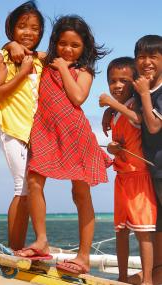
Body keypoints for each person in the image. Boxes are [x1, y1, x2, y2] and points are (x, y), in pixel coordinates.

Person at [16, 15, 112, 273]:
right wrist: (12, 47)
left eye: (75, 46)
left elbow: (78, 97)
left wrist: (61, 68)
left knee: (80, 194)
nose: (67, 49)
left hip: (75, 134)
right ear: (55, 42)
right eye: (62, 43)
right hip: (46, 131)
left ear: (85, 49)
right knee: (34, 181)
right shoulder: (46, 61)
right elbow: (21, 49)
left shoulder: (83, 71)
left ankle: (83, 257)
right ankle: (41, 240)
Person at [0, 1, 45, 251]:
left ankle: (20, 247)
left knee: (29, 190)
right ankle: (13, 250)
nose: (28, 33)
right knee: (21, 186)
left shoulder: (39, 59)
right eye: (22, 27)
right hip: (13, 129)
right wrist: (22, 71)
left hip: (35, 133)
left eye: (34, 28)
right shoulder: (2, 56)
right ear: (11, 29)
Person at [99, 57, 157, 285]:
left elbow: (138, 120)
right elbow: (120, 145)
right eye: (112, 81)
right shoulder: (114, 114)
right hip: (121, 178)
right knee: (120, 231)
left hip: (139, 178)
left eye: (124, 80)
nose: (117, 85)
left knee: (144, 232)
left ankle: (148, 280)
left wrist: (112, 105)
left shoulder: (135, 104)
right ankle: (122, 277)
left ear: (134, 82)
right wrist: (113, 148)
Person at [128, 35, 162, 285]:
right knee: (158, 225)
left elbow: (152, 126)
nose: (146, 62)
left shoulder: (154, 92)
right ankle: (158, 273)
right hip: (152, 170)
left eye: (153, 56)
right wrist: (110, 110)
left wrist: (145, 94)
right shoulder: (142, 90)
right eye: (141, 57)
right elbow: (135, 115)